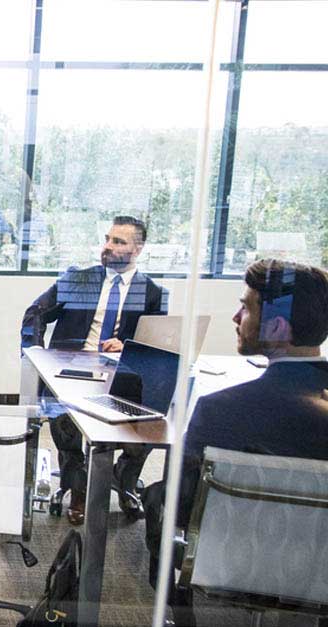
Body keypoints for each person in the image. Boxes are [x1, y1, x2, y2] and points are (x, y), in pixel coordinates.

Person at [144, 259, 328, 624]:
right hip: (318, 571)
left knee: (157, 497)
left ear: (277, 326)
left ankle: (180, 615)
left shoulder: (220, 410)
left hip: (235, 563)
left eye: (245, 307)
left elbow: (183, 507)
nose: (235, 317)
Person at [21, 215, 168, 525]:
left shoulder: (152, 293)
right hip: (71, 371)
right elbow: (34, 314)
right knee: (66, 424)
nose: (108, 247)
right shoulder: (79, 279)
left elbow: (156, 345)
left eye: (119, 242)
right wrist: (35, 354)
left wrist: (128, 346)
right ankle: (79, 488)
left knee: (151, 429)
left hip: (122, 377)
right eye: (107, 239)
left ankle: (122, 480)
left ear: (138, 249)